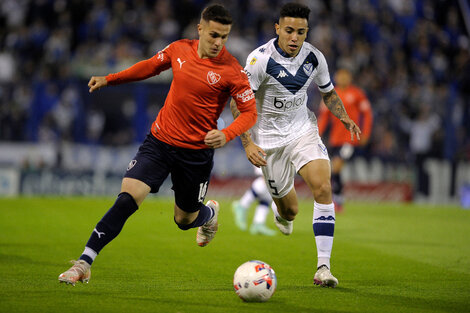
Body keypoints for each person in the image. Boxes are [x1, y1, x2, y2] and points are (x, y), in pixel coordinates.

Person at [58, 4, 257, 286]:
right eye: (213, 35)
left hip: (196, 154)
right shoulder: (179, 49)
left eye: (224, 37)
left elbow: (250, 112)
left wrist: (227, 134)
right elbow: (149, 67)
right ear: (200, 29)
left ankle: (209, 213)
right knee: (127, 198)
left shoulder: (232, 71)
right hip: (160, 142)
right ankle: (84, 262)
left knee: (184, 220)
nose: (218, 42)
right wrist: (109, 79)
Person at [230, 3, 361, 288]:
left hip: (303, 131)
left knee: (324, 187)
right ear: (277, 28)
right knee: (290, 211)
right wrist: (247, 142)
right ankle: (281, 213)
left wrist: (344, 117)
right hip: (269, 143)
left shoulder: (315, 57)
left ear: (306, 32)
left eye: (300, 32)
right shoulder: (259, 61)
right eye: (289, 30)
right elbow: (237, 103)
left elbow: (328, 93)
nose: (294, 37)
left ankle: (323, 267)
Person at [318, 68, 373, 212]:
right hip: (334, 140)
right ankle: (339, 200)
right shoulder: (330, 95)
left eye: (345, 76)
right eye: (340, 76)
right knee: (336, 170)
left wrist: (365, 132)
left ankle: (336, 200)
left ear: (350, 78)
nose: (342, 78)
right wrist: (316, 135)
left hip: (350, 138)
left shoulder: (357, 94)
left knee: (336, 166)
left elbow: (367, 114)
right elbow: (323, 118)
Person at [232, 166, 276, 236]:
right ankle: (242, 205)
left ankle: (258, 223)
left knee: (271, 186)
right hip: (266, 156)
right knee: (268, 178)